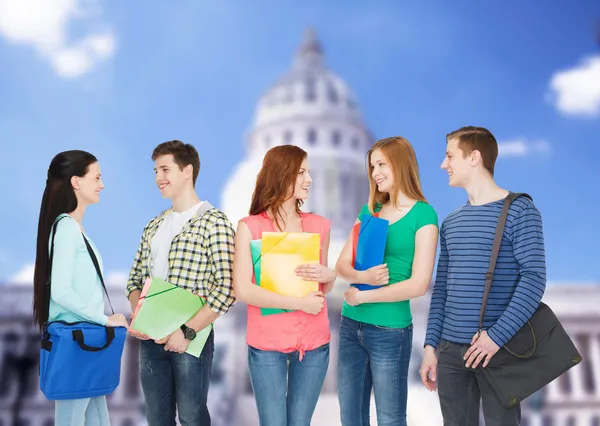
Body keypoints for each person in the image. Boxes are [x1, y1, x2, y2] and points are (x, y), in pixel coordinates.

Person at [420, 126, 546, 426]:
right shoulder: (450, 223)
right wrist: (430, 347)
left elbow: (533, 279)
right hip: (450, 354)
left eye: (450, 156)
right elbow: (441, 292)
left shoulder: (521, 211)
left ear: (474, 157)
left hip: (499, 351)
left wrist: (495, 337)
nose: (443, 164)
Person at [126, 140, 235, 426]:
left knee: (191, 417)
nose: (158, 178)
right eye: (154, 171)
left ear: (187, 171)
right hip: (151, 340)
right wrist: (141, 319)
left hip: (191, 338)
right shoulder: (153, 225)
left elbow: (227, 288)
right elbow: (134, 280)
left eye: (165, 169)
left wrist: (185, 332)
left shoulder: (214, 222)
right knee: (156, 418)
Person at [335, 136, 439, 426]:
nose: (375, 172)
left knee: (391, 418)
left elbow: (419, 284)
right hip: (350, 326)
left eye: (381, 164)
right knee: (351, 417)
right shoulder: (370, 210)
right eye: (372, 166)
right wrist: (361, 277)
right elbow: (342, 264)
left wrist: (364, 295)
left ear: (401, 164)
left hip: (390, 331)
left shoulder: (424, 215)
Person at [232, 145, 336, 426]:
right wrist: (298, 304)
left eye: (309, 172)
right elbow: (242, 290)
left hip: (314, 342)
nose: (309, 180)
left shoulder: (320, 226)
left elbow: (321, 289)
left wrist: (330, 276)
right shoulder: (249, 227)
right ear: (282, 174)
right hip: (267, 344)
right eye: (301, 172)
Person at [33, 150, 129, 426]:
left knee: (99, 421)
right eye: (97, 177)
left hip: (85, 344)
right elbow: (61, 292)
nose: (102, 184)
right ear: (76, 182)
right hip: (78, 342)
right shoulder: (66, 228)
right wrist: (105, 319)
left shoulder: (75, 228)